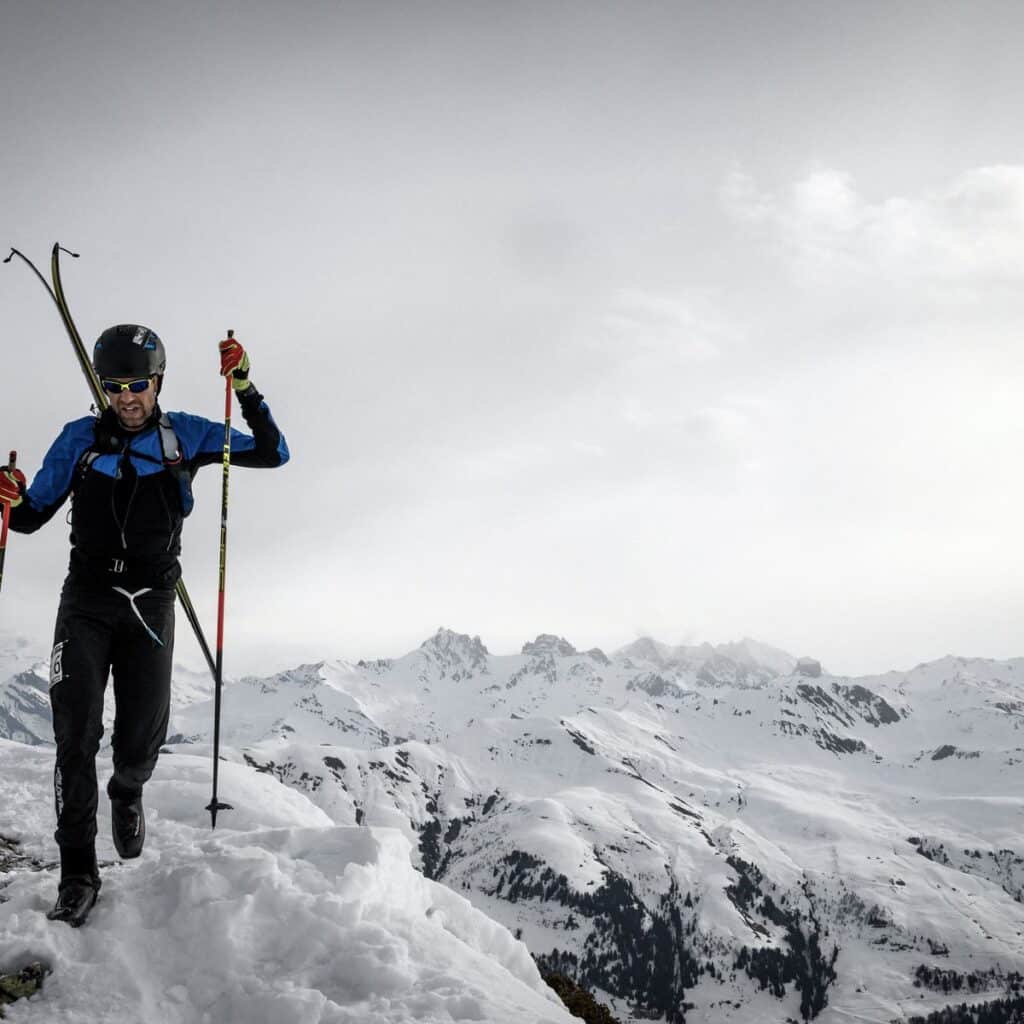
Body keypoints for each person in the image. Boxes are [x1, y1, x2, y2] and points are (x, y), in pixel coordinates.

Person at [0, 325, 289, 926]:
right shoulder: (79, 439)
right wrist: (5, 494)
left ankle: (127, 791)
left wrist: (245, 385)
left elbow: (272, 451)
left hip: (151, 604)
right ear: (102, 386)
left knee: (141, 737)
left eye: (138, 384)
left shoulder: (188, 434)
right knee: (74, 735)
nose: (127, 397)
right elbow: (29, 518)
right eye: (114, 386)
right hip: (86, 600)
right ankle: (77, 870)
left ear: (158, 382)